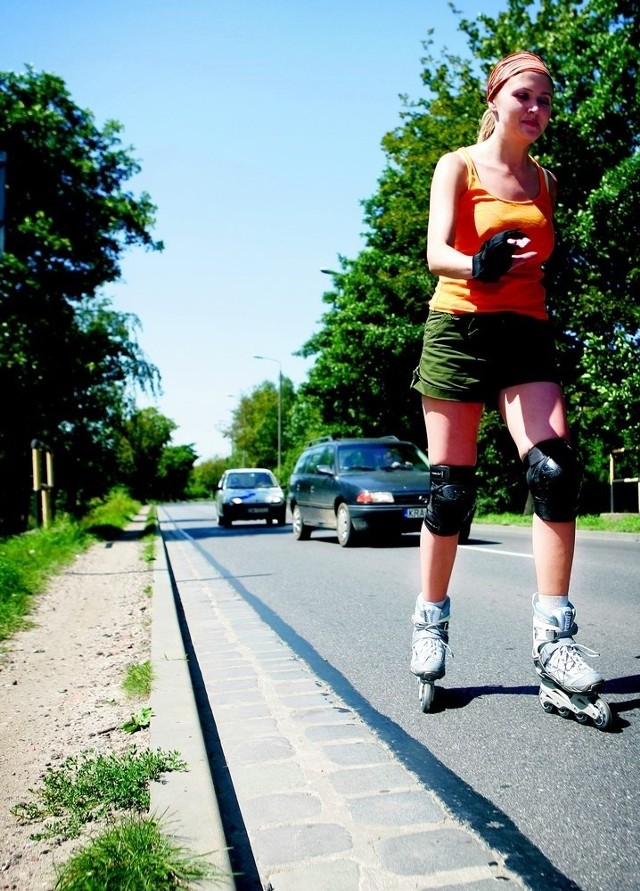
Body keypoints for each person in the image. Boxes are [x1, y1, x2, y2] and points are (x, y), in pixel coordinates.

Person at [409, 51, 605, 708]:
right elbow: (436, 252)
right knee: (451, 493)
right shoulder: (457, 166)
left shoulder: (545, 181)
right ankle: (430, 620)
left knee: (556, 473)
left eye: (546, 101)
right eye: (526, 96)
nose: (537, 110)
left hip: (525, 332)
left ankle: (554, 638)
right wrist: (476, 262)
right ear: (495, 99)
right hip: (459, 327)